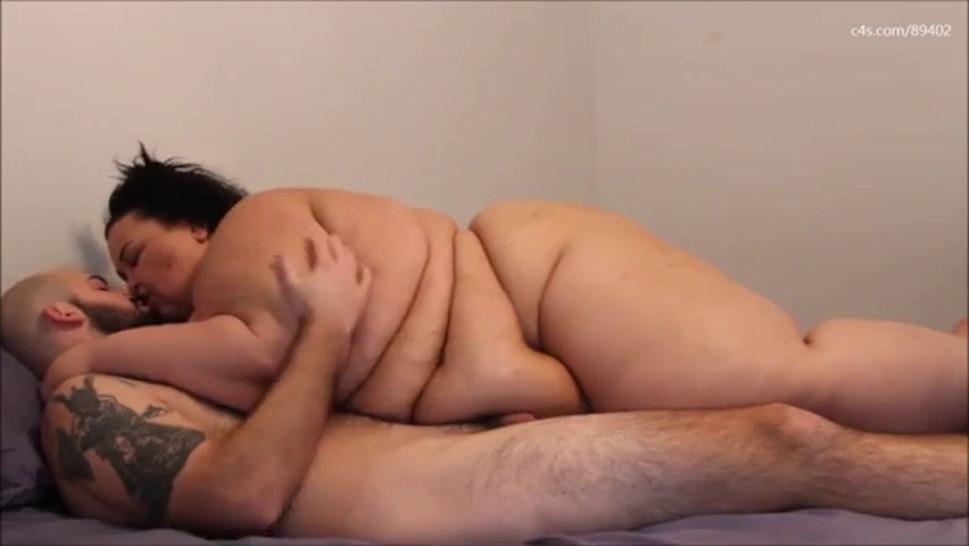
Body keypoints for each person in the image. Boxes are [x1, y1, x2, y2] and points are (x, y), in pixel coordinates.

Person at [2, 261, 966, 542]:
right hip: (475, 491)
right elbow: (242, 495)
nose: (135, 297)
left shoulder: (155, 377)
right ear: (63, 311)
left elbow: (311, 436)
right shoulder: (80, 401)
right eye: (103, 282)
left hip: (475, 457)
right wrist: (325, 326)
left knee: (794, 427)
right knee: (787, 440)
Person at [42, 146, 967, 433]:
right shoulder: (222, 304)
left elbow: (257, 358)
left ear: (199, 226)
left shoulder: (254, 233)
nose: (134, 285)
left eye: (138, 256)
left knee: (781, 375)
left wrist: (91, 351)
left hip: (539, 277)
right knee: (766, 394)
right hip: (537, 328)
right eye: (118, 273)